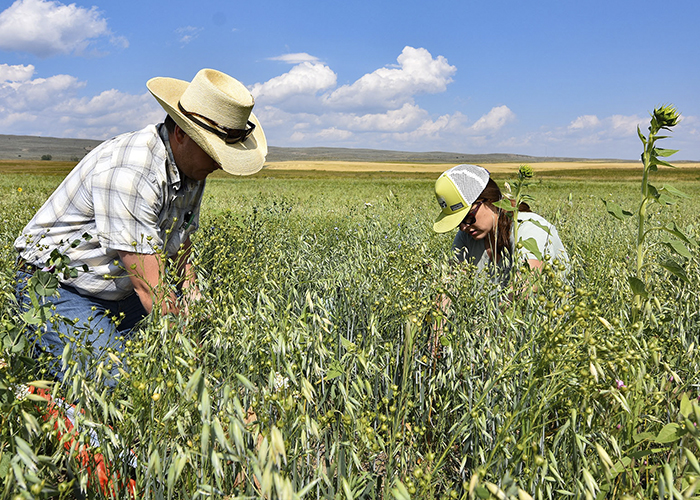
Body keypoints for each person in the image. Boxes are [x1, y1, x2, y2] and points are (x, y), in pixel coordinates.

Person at [14, 68, 267, 384]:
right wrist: (190, 363)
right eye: (214, 151)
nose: (218, 164)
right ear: (181, 134)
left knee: (165, 372)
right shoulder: (132, 173)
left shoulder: (192, 168)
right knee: (123, 388)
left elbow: (180, 254)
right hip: (54, 289)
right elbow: (151, 289)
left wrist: (195, 310)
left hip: (118, 293)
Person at [433, 164, 568, 286]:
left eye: (468, 217)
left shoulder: (529, 228)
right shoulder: (466, 237)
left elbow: (526, 291)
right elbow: (449, 288)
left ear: (491, 200)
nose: (463, 227)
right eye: (458, 223)